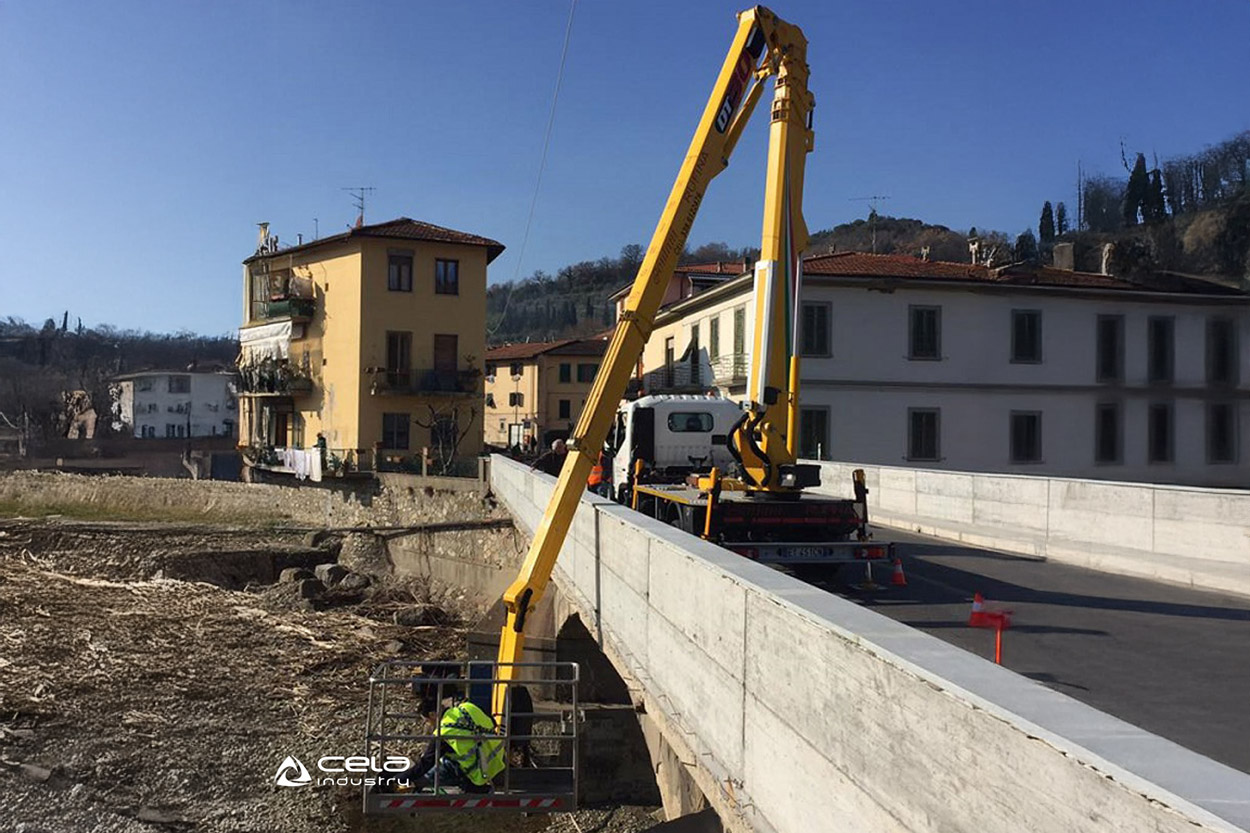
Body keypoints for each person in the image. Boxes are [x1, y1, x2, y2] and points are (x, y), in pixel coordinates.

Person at [403, 671, 505, 793]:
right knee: (451, 754)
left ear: (433, 714)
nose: (428, 724)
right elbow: (492, 722)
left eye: (427, 721)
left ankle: (474, 788)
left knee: (441, 766)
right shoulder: (467, 707)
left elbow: (426, 763)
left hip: (481, 770)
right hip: (497, 760)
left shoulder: (445, 730)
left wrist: (399, 779)